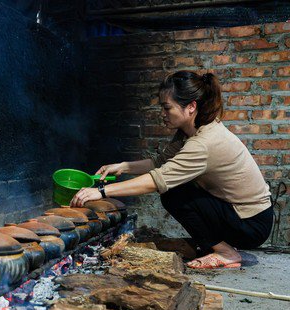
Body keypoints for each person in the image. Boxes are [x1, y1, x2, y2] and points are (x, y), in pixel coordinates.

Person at [70, 70, 272, 269]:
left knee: (174, 192)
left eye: (167, 108)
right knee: (176, 187)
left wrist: (101, 191)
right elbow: (161, 162)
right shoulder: (191, 131)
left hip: (252, 224)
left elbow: (159, 179)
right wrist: (123, 166)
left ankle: (226, 252)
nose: (163, 114)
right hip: (238, 214)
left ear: (191, 106)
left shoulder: (204, 143)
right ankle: (219, 244)